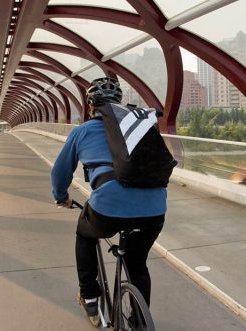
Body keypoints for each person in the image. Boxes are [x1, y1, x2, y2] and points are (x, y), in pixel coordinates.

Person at [51, 77, 167, 327]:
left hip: (108, 206)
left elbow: (59, 173)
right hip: (155, 208)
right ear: (119, 103)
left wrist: (61, 197)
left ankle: (90, 298)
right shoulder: (140, 127)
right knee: (137, 262)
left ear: (91, 106)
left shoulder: (82, 131)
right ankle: (139, 321)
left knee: (85, 234)